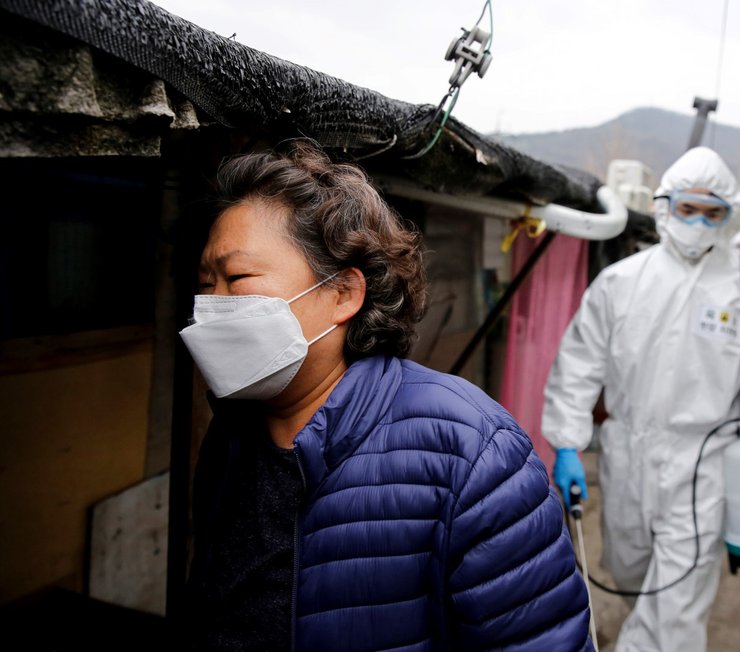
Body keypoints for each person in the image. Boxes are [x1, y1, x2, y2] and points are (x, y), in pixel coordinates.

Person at [178, 138, 594, 651]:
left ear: (343, 293)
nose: (211, 306)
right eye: (205, 283)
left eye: (237, 278)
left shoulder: (476, 455)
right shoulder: (232, 436)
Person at [541, 146, 740, 651]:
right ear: (666, 207)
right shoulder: (621, 282)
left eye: (713, 213)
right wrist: (568, 444)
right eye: (689, 209)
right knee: (630, 567)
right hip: (627, 451)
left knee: (677, 602)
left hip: (703, 459)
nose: (699, 222)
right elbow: (578, 364)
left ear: (728, 215)